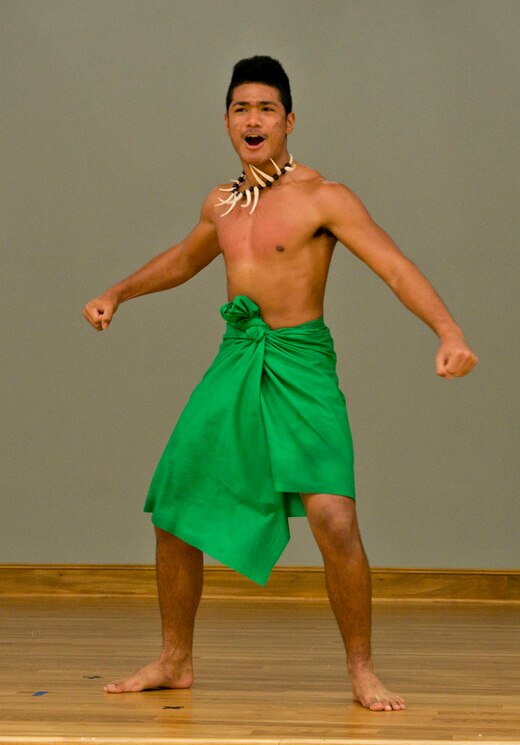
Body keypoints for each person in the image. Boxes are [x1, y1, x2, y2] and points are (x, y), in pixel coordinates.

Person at [83, 56, 478, 711]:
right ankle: (175, 660)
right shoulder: (222, 204)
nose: (253, 119)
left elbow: (395, 267)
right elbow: (184, 259)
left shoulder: (325, 198)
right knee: (176, 511)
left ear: (289, 121)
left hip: (301, 364)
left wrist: (449, 332)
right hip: (237, 357)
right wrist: (116, 292)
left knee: (335, 518)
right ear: (228, 123)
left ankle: (361, 668)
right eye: (241, 109)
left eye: (266, 108)